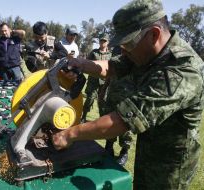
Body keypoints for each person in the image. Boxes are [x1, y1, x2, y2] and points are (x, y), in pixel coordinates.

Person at [52, 0, 204, 189]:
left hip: (170, 165)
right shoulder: (148, 52)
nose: (123, 49)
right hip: (149, 147)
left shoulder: (182, 71)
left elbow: (123, 120)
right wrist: (81, 64)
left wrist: (69, 134)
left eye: (128, 42)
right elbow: (112, 67)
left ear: (154, 35)